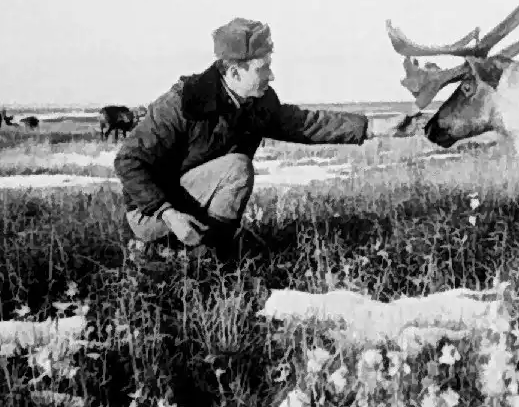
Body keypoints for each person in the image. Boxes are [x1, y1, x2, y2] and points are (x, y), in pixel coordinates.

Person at [113, 17, 401, 254]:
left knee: (235, 169)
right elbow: (128, 161)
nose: (271, 76)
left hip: (187, 205)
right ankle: (193, 253)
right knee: (236, 167)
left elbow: (303, 123)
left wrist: (374, 128)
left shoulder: (257, 102)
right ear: (235, 73)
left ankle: (205, 253)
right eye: (263, 68)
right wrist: (168, 214)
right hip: (151, 213)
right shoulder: (180, 104)